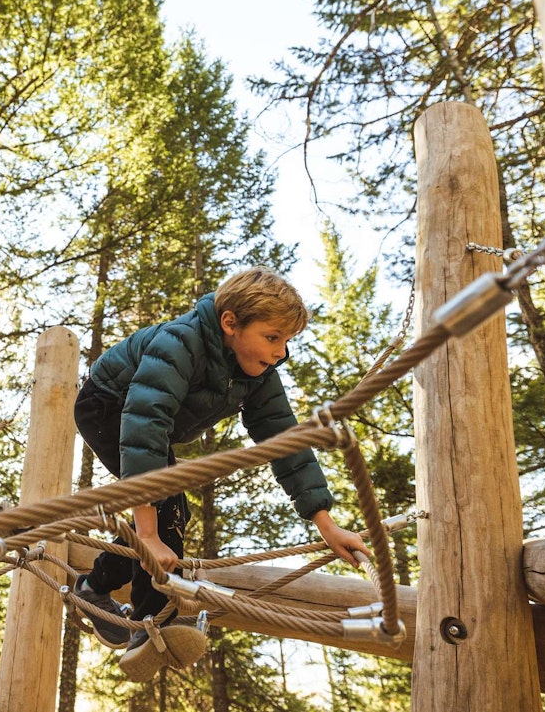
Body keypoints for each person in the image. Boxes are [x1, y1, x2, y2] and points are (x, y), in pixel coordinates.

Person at [72, 267, 370, 676]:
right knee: (163, 508)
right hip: (108, 406)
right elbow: (143, 428)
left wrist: (326, 523)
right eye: (272, 337)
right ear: (230, 323)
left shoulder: (260, 372)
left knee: (171, 512)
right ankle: (150, 623)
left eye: (286, 341)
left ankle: (95, 588)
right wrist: (145, 533)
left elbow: (286, 443)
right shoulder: (180, 342)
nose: (281, 351)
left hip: (151, 425)